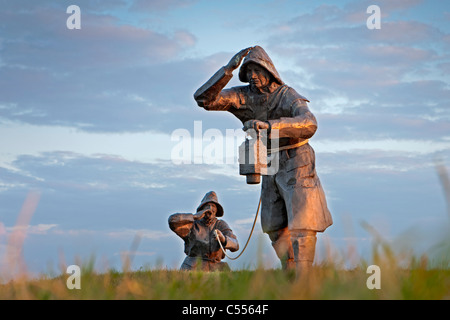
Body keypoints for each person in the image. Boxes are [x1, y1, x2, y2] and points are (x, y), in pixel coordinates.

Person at [193, 46, 332, 273]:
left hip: (297, 158)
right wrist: (228, 70)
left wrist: (270, 126)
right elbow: (204, 99)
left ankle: (304, 278)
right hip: (267, 160)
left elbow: (309, 122)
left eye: (257, 71)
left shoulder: (286, 94)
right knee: (273, 224)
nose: (253, 77)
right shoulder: (243, 95)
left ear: (269, 71)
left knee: (302, 222)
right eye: (248, 72)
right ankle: (289, 272)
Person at [168, 191, 239, 271]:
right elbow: (172, 220)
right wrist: (195, 216)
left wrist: (223, 239)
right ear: (202, 209)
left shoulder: (221, 224)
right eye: (207, 206)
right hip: (193, 267)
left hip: (216, 267)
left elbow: (235, 245)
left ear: (216, 210)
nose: (210, 209)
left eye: (213, 206)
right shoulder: (192, 225)